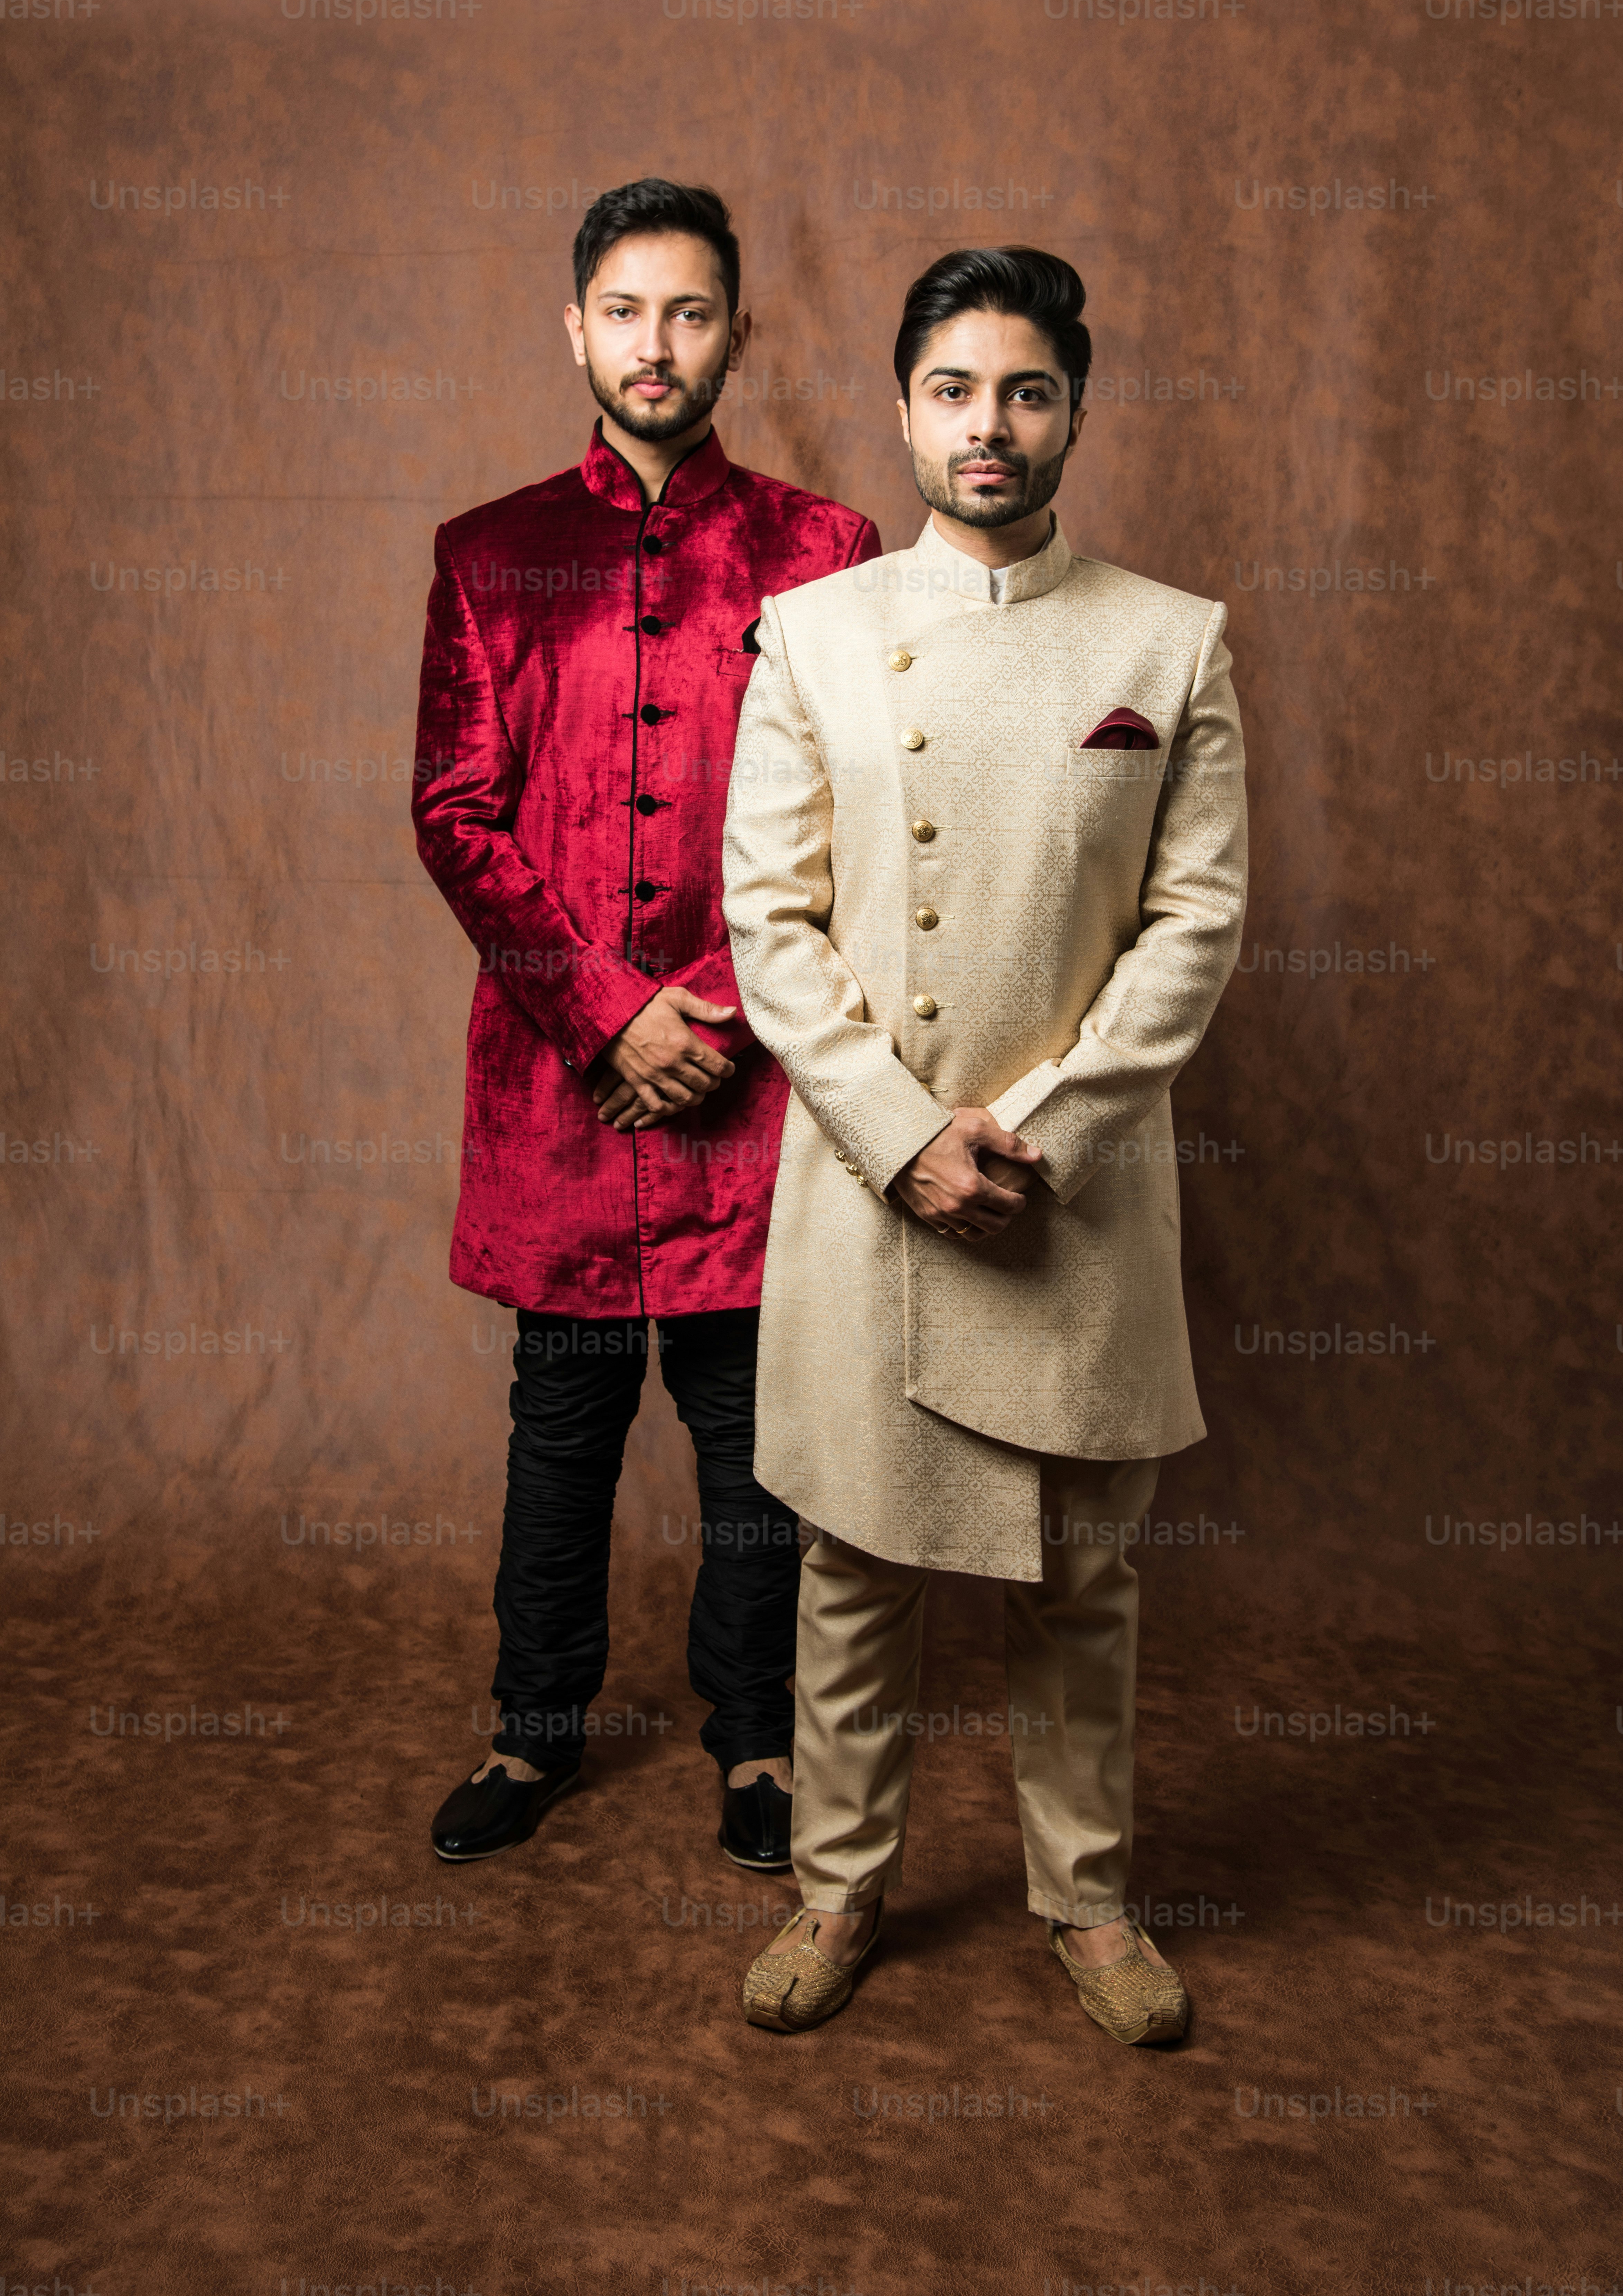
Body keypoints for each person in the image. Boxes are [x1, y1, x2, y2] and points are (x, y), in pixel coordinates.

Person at [721, 245, 1248, 2035]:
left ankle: (1090, 1906)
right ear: (905, 410)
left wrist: (1028, 1132)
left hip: (1069, 1200)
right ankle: (835, 1894)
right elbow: (768, 925)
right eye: (956, 391)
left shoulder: (1169, 642)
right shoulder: (811, 634)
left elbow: (1197, 926)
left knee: (1084, 1579)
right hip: (876, 1195)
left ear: (1077, 411)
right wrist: (900, 1137)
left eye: (1027, 391)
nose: (990, 427)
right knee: (852, 1577)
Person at [412, 178, 880, 1873]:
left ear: (736, 333)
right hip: (558, 1084)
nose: (657, 343)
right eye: (626, 310)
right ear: (576, 327)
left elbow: (859, 829)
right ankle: (533, 1732)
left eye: (691, 313)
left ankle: (756, 1740)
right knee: (562, 1421)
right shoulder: (486, 552)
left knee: (757, 1439)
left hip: (757, 1095)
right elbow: (456, 812)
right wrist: (611, 1019)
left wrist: (729, 1026)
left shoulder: (826, 553)